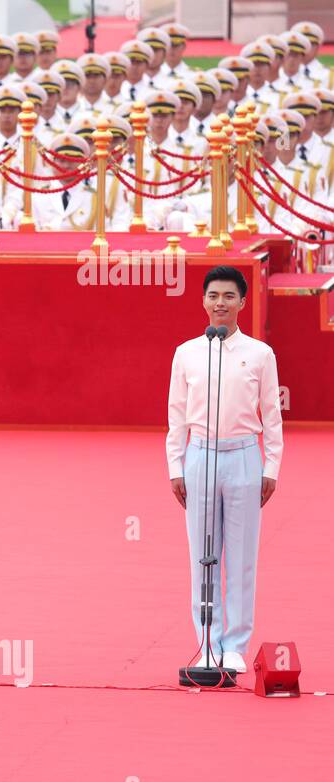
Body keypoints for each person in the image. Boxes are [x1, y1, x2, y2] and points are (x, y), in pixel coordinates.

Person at [167, 266, 283, 674]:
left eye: (229, 296)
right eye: (213, 295)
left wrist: (271, 466)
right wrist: (175, 466)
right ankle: (207, 642)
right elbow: (176, 417)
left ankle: (235, 643)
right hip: (199, 456)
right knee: (203, 555)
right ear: (203, 300)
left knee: (242, 554)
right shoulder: (187, 353)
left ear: (242, 303)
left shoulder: (259, 354)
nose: (220, 303)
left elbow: (271, 415)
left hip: (244, 457)